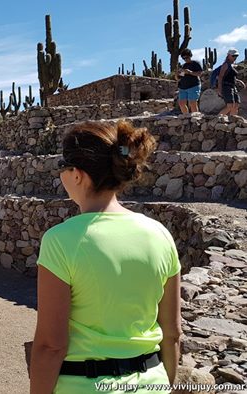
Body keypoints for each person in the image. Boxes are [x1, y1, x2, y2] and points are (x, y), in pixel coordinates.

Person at [29, 121, 181, 393]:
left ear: (77, 174)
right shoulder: (160, 235)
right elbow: (171, 334)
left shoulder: (60, 241)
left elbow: (51, 345)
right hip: (152, 381)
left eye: (62, 167)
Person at [217, 49, 245, 116]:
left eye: (236, 56)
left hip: (233, 86)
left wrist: (238, 81)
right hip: (226, 87)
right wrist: (219, 89)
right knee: (230, 105)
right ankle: (217, 119)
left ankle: (233, 120)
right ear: (228, 55)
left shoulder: (232, 65)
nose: (235, 57)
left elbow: (230, 76)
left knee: (236, 104)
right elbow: (220, 77)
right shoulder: (225, 65)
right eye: (233, 56)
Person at [175, 48, 202, 114]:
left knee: (192, 103)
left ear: (190, 56)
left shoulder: (195, 63)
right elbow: (179, 78)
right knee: (181, 103)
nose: (185, 59)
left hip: (193, 86)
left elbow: (199, 73)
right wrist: (177, 74)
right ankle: (186, 117)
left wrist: (190, 72)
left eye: (186, 57)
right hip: (183, 87)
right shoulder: (184, 66)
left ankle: (196, 118)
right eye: (184, 58)